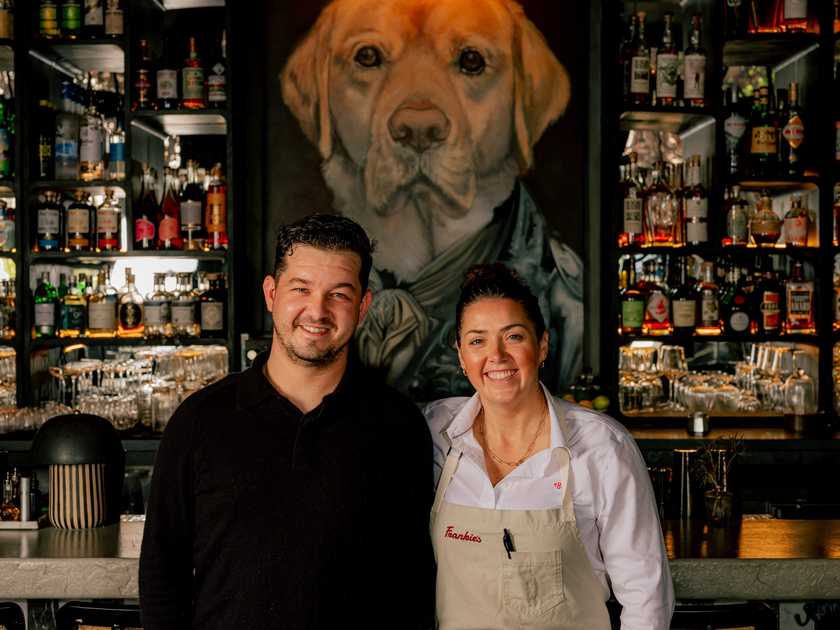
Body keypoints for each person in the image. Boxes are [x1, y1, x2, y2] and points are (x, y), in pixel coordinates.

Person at [140, 214, 435, 630]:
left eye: (339, 294)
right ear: (272, 293)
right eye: (301, 289)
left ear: (363, 306)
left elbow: (415, 581)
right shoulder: (199, 421)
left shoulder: (399, 426)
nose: (318, 310)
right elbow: (161, 570)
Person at [424, 263, 674, 629]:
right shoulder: (434, 432)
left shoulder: (603, 446)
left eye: (513, 336)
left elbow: (647, 600)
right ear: (462, 356)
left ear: (542, 345)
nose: (496, 355)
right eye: (478, 340)